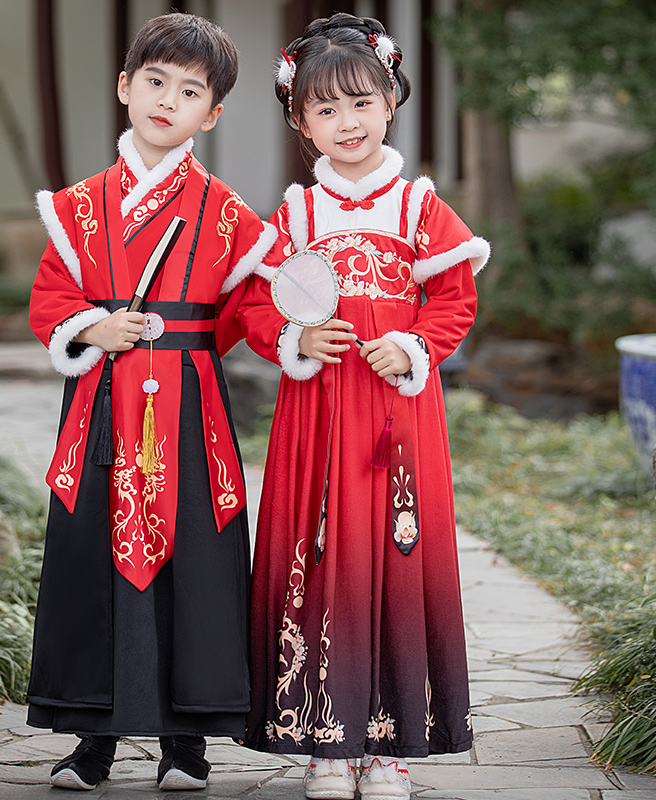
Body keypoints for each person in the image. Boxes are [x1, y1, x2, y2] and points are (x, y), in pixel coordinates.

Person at [26, 12, 280, 792]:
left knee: (197, 567)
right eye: (156, 81)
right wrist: (90, 326)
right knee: (91, 563)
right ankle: (90, 742)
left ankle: (187, 745)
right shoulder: (77, 207)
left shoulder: (231, 214)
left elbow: (254, 314)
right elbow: (49, 299)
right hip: (101, 404)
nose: (168, 100)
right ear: (124, 86)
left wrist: (298, 333)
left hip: (190, 408)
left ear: (214, 113)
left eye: (191, 90)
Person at [241, 14, 491, 800]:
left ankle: (389, 744)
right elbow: (253, 305)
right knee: (317, 558)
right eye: (324, 110)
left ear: (391, 101)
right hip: (318, 413)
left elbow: (453, 298)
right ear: (298, 121)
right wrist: (295, 339)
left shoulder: (419, 207)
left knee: (394, 556)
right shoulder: (295, 215)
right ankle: (325, 740)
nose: (345, 123)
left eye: (360, 103)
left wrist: (414, 345)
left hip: (395, 416)